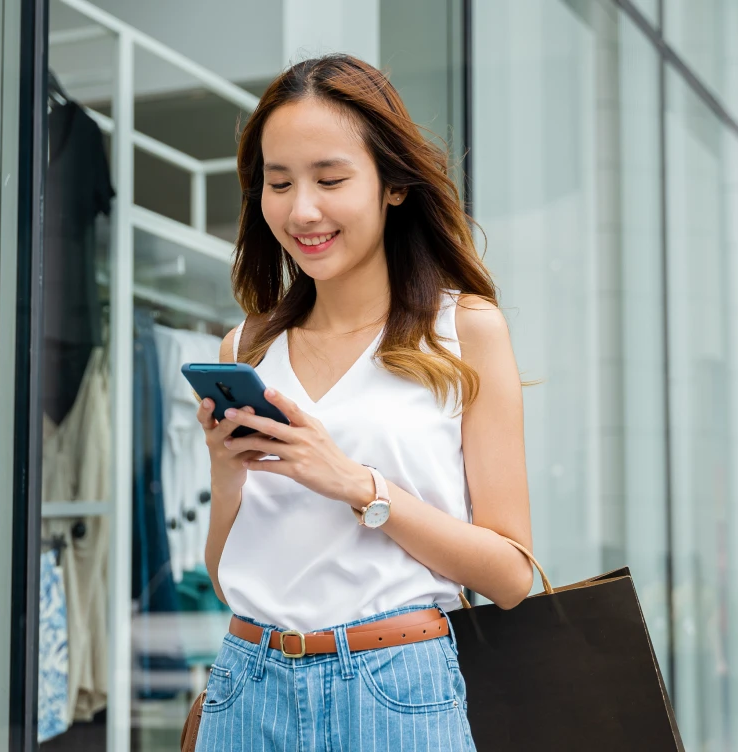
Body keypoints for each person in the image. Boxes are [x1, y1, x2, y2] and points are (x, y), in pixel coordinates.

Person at [190, 54, 533, 751]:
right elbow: (229, 581)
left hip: (396, 691)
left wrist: (359, 486)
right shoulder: (245, 348)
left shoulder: (463, 331)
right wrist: (227, 475)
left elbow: (511, 575)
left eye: (331, 179)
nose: (301, 209)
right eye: (278, 183)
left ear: (393, 186)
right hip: (247, 687)